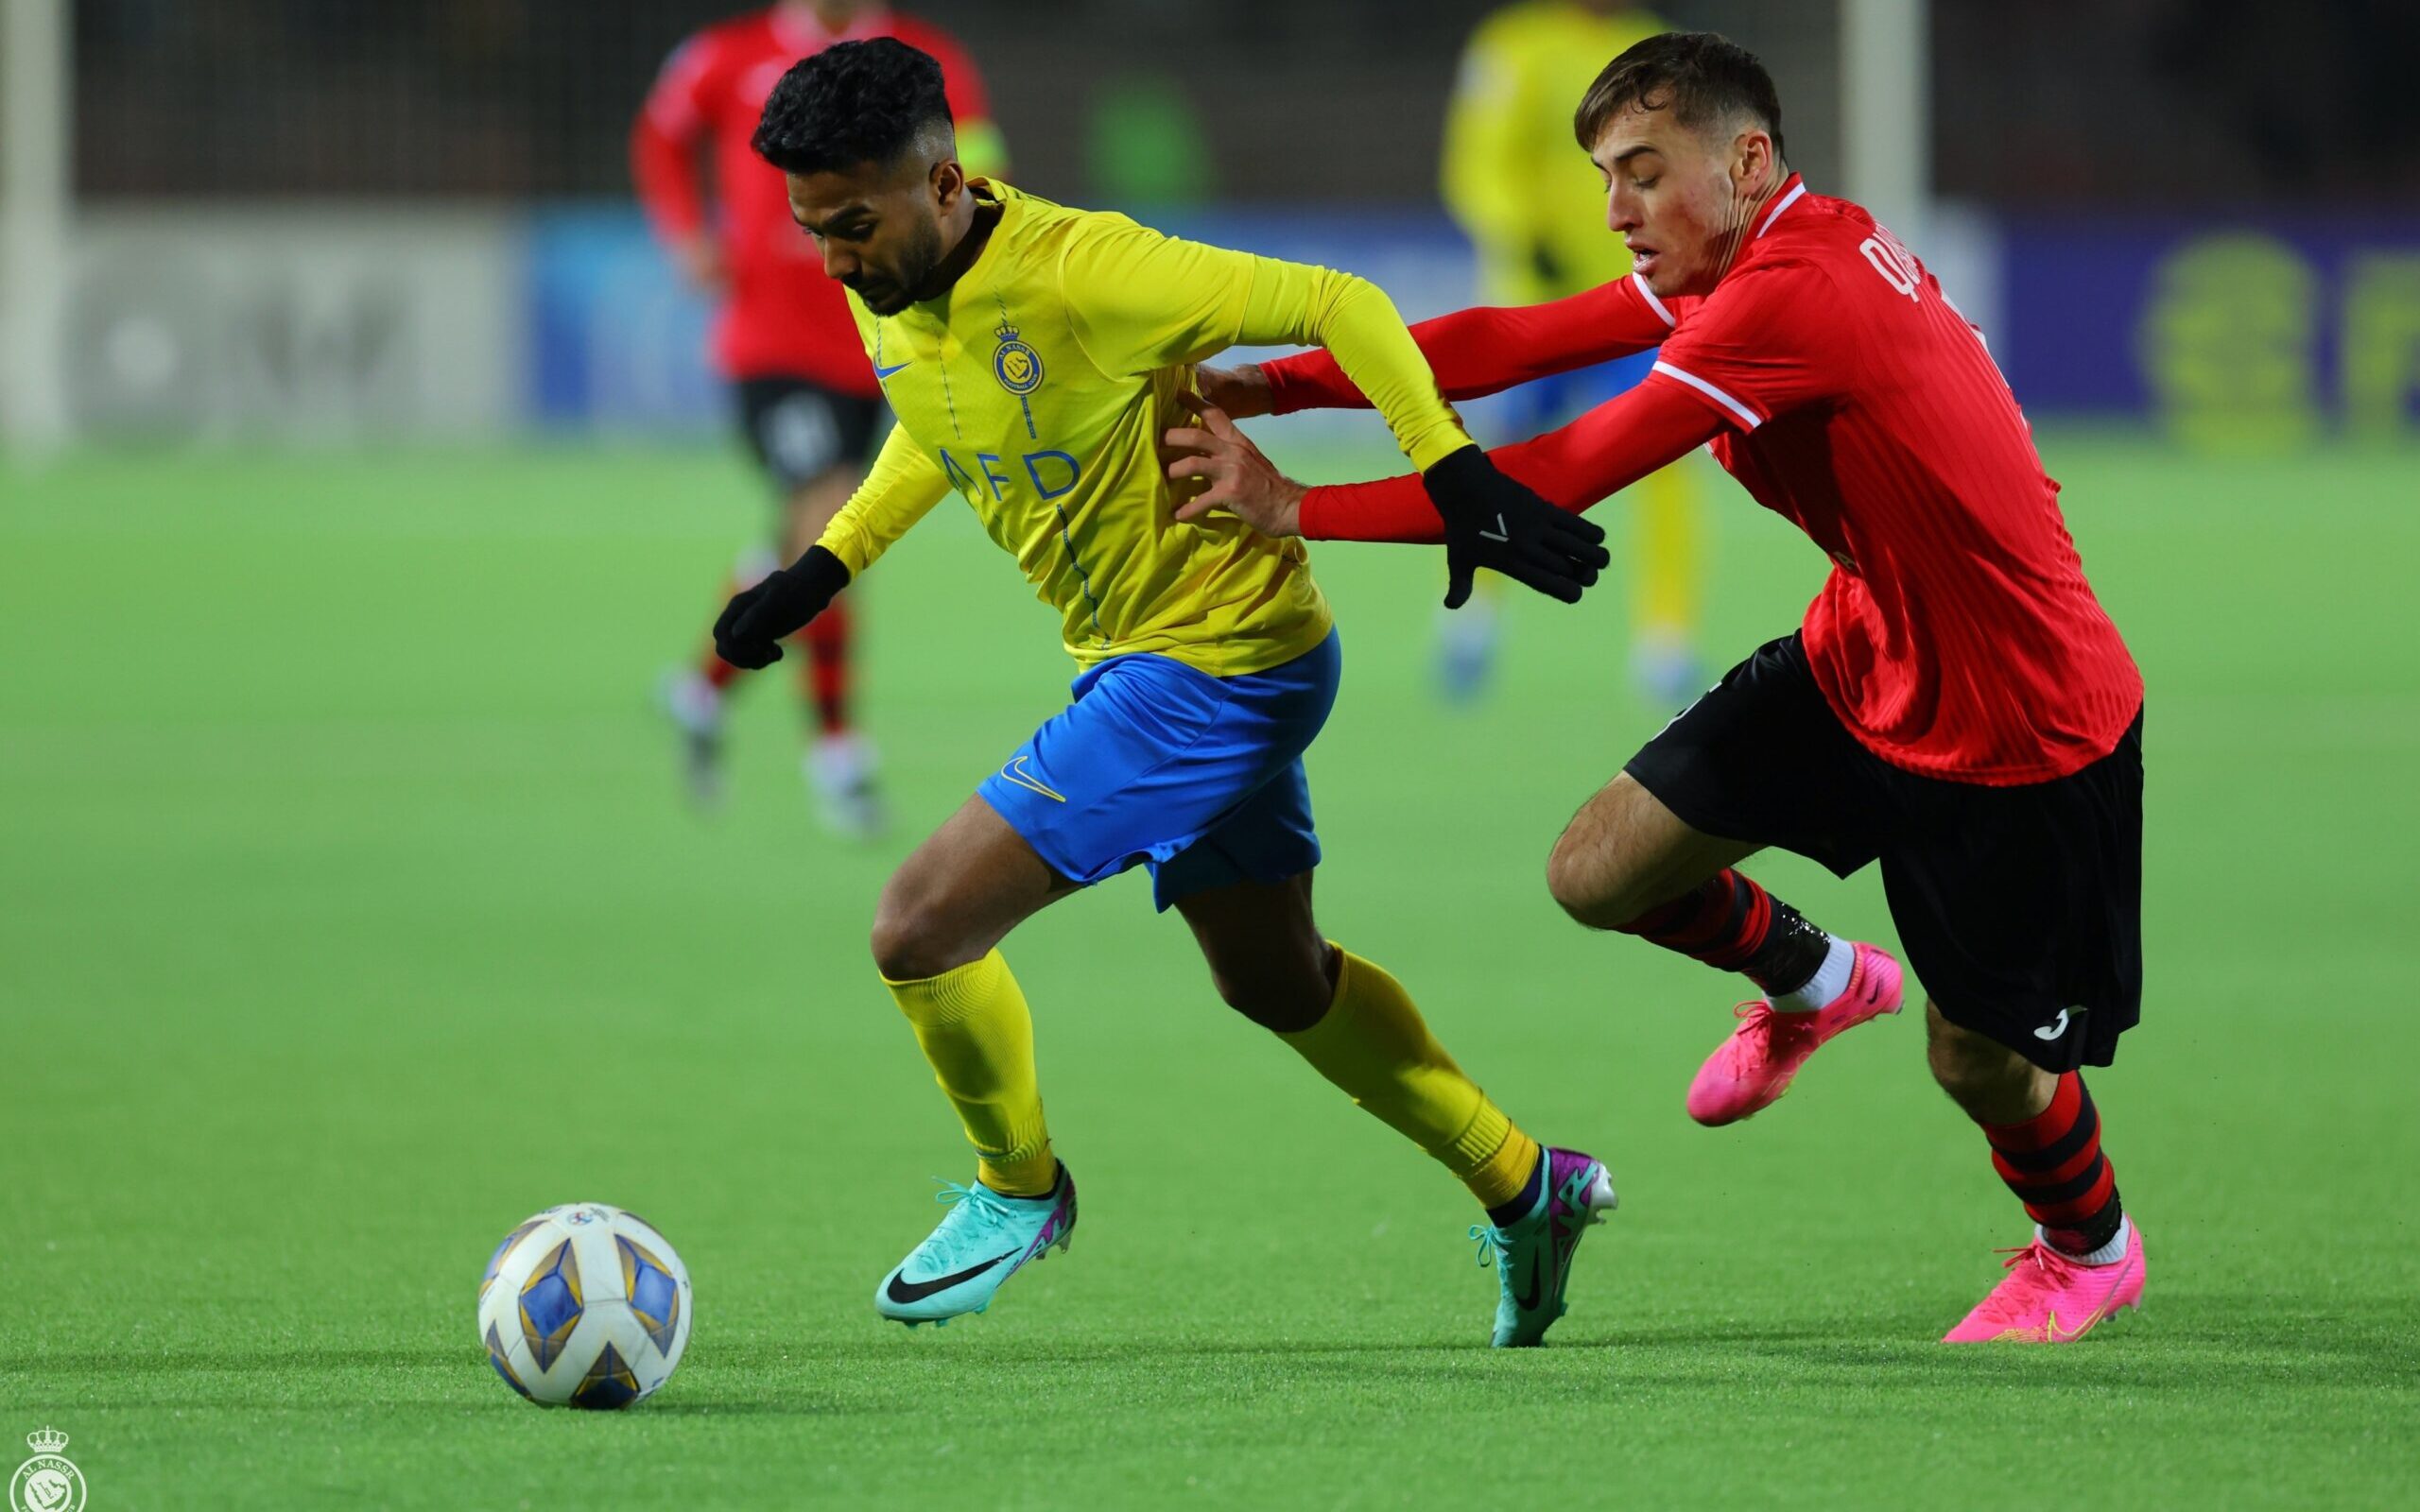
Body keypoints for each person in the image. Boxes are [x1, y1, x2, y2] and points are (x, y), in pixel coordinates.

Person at [1170, 32, 2148, 1345]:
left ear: (1747, 160)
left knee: (1978, 1061)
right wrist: (1277, 383)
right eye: (1603, 178)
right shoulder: (1735, 258)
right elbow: (1509, 340)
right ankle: (1816, 982)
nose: (1617, 210)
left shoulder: (1794, 295)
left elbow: (1565, 468)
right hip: (1866, 653)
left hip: (2019, 723)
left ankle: (2090, 1248)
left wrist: (1294, 506)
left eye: (1643, 171)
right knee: (1597, 871)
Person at [713, 38, 1616, 1344]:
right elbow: (940, 409)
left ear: (946, 180)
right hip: (1178, 657)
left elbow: (1338, 301)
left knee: (917, 928)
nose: (839, 261)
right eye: (816, 234)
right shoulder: (893, 277)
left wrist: (1453, 473)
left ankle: (1019, 1189)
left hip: (1215, 672)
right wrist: (827, 563)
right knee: (1276, 980)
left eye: (854, 227)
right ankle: (1531, 1186)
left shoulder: (1090, 272)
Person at [633, 1, 1005, 833]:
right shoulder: (726, 56)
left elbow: (975, 167)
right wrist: (685, 234)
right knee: (829, 521)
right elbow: (659, 139)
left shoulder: (925, 57)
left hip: (881, 339)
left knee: (797, 540)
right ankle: (838, 754)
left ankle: (703, 691)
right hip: (769, 344)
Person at [1440, 0, 1706, 704]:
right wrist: (1523, 234)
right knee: (1506, 460)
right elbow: (1478, 163)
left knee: (1667, 456)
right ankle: (1477, 617)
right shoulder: (1516, 45)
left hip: (1641, 296)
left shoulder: (1651, 45)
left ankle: (1665, 641)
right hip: (1543, 303)